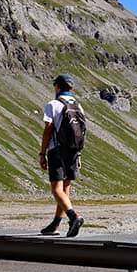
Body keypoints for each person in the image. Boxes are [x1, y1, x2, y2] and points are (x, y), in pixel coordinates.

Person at [39, 73, 86, 237]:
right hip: (73, 150)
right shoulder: (78, 106)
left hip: (57, 150)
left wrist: (42, 153)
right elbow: (81, 131)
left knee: (56, 189)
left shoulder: (53, 104)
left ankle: (74, 216)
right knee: (65, 188)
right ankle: (56, 224)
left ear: (57, 86)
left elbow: (48, 129)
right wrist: (78, 154)